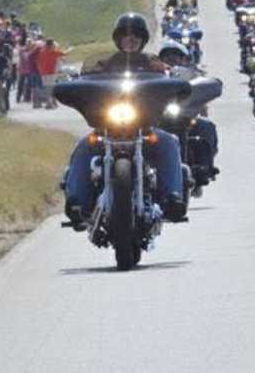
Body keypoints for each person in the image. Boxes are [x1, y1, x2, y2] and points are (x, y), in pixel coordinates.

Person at [63, 13, 186, 228]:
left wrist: (176, 83)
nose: (131, 39)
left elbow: (169, 80)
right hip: (107, 127)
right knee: (84, 146)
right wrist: (73, 84)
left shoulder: (154, 65)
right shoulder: (103, 65)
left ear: (143, 39)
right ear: (118, 39)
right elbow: (86, 82)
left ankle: (173, 198)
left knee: (169, 143)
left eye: (136, 35)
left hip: (145, 127)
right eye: (126, 35)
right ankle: (77, 203)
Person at [157, 39, 219, 179]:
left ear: (183, 59)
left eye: (176, 55)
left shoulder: (192, 74)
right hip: (159, 118)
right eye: (167, 55)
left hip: (185, 115)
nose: (171, 58)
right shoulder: (155, 75)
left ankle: (205, 167)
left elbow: (203, 93)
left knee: (206, 125)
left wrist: (199, 111)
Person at [36, 38, 70, 109]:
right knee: (50, 88)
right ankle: (49, 104)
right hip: (51, 73)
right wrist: (69, 49)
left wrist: (40, 70)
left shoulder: (42, 52)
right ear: (51, 45)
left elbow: (38, 62)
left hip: (43, 73)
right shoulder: (53, 52)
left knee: (47, 88)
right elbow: (65, 54)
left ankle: (51, 103)